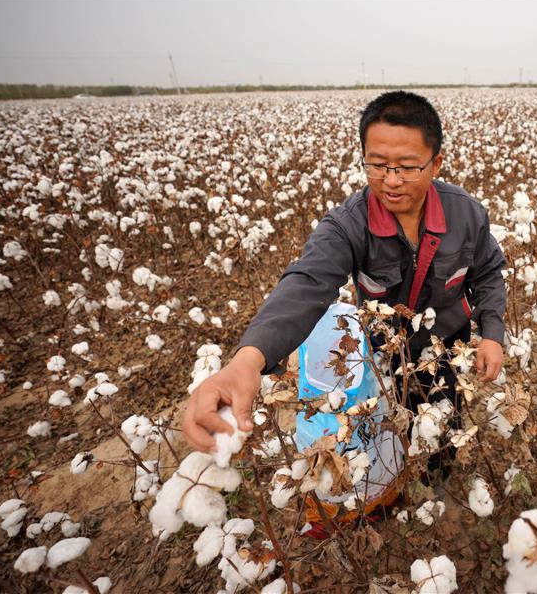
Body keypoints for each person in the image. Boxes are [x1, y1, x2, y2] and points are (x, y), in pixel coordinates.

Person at [183, 91, 508, 462]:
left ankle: (437, 472)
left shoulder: (466, 215)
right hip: (380, 354)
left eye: (406, 166)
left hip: (446, 345)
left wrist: (492, 335)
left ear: (435, 164)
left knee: (444, 423)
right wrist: (246, 362)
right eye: (378, 165)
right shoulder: (348, 224)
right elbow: (306, 283)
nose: (391, 180)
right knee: (384, 427)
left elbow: (488, 274)